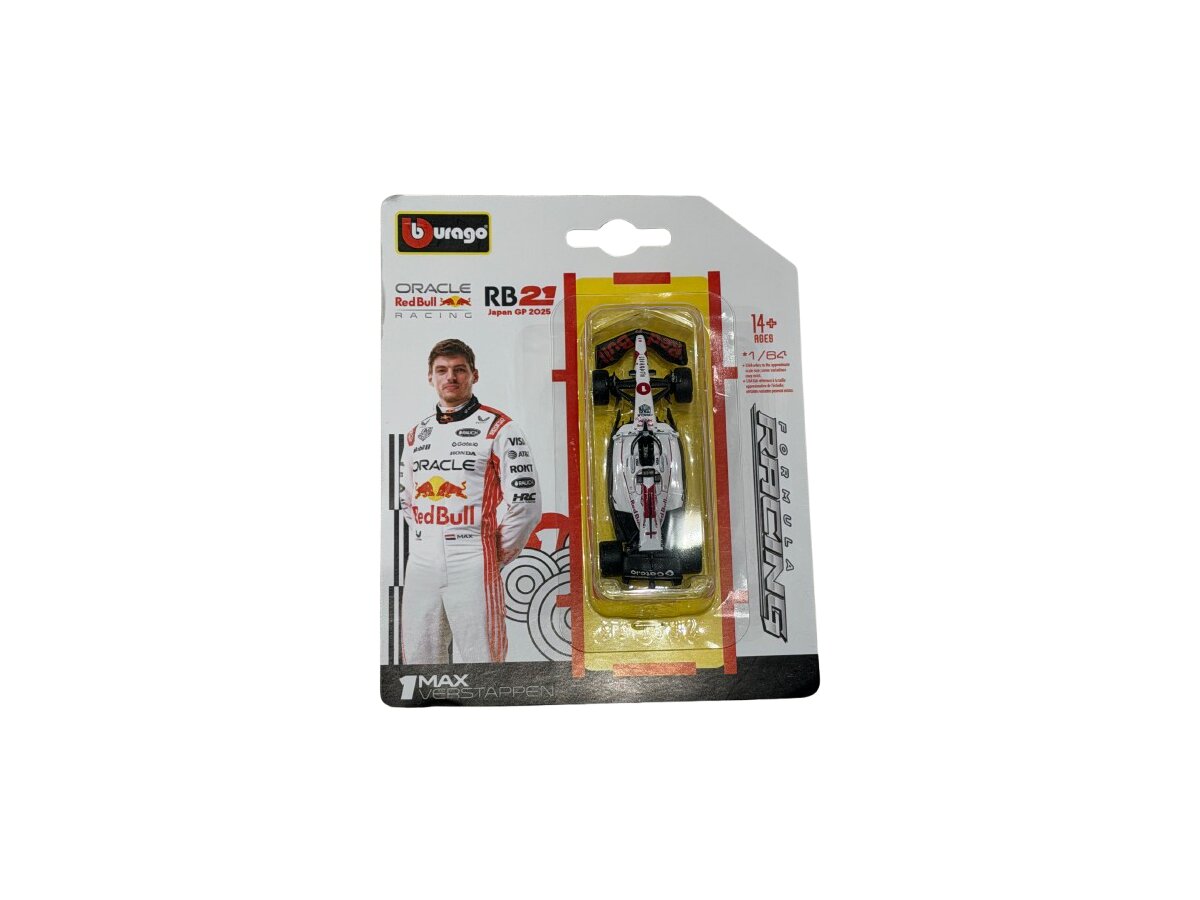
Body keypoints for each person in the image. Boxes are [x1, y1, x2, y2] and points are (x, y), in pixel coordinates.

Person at [397, 338, 541, 663]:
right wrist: (427, 539)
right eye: (442, 370)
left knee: (483, 665)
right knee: (418, 666)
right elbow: (407, 501)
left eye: (459, 369)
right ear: (430, 377)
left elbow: (526, 504)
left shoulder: (500, 428)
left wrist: (494, 554)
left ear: (474, 375)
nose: (451, 377)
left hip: (472, 560)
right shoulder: (416, 434)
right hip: (420, 564)